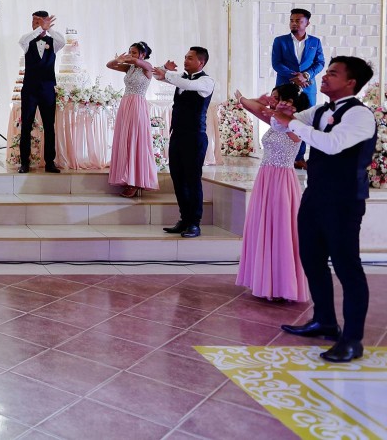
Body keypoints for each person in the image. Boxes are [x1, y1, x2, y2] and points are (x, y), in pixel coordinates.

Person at [272, 56, 375, 363]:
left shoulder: (361, 116)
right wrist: (283, 113)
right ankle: (325, 320)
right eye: (326, 72)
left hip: (344, 201)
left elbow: (331, 144)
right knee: (312, 258)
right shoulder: (321, 109)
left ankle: (352, 339)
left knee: (347, 267)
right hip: (315, 195)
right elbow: (289, 123)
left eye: (332, 73)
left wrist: (293, 124)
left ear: (351, 82)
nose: (325, 77)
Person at [233, 84, 310, 302]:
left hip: (282, 181)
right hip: (266, 178)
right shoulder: (275, 120)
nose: (274, 102)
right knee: (264, 227)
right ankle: (265, 281)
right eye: (274, 98)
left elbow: (292, 129)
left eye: (279, 98)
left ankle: (284, 285)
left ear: (291, 102)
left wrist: (272, 108)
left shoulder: (296, 125)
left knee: (282, 229)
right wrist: (261, 101)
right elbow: (248, 104)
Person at [153, 46, 215, 238]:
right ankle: (184, 219)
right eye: (185, 57)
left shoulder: (206, 81)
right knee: (178, 178)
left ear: (201, 62)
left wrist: (168, 74)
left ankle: (195, 223)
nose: (186, 61)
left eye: (190, 58)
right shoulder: (181, 78)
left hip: (195, 137)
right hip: (177, 135)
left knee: (192, 179)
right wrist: (165, 68)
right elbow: (158, 76)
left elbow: (187, 85)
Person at [272, 8, 325, 169]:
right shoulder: (280, 41)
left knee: (305, 120)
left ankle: (300, 157)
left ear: (307, 23)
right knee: (281, 118)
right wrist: (295, 76)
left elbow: (320, 63)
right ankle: (281, 155)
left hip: (308, 88)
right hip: (284, 87)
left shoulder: (315, 42)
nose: (294, 23)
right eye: (292, 20)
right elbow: (276, 63)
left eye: (298, 21)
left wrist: (306, 76)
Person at [106, 41, 158, 197]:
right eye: (130, 51)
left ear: (143, 54)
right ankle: (126, 176)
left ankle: (136, 181)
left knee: (137, 139)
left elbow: (138, 62)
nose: (131, 54)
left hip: (137, 104)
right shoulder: (130, 67)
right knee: (125, 139)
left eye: (134, 52)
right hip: (125, 103)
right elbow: (109, 65)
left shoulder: (147, 67)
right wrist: (118, 60)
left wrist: (130, 58)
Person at [17, 10, 65, 173]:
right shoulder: (26, 40)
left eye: (38, 22)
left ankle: (49, 162)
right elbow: (23, 40)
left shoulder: (54, 41)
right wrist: (39, 29)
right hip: (29, 89)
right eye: (33, 22)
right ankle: (24, 162)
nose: (34, 25)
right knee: (26, 125)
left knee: (49, 126)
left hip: (47, 90)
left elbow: (62, 41)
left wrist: (47, 28)